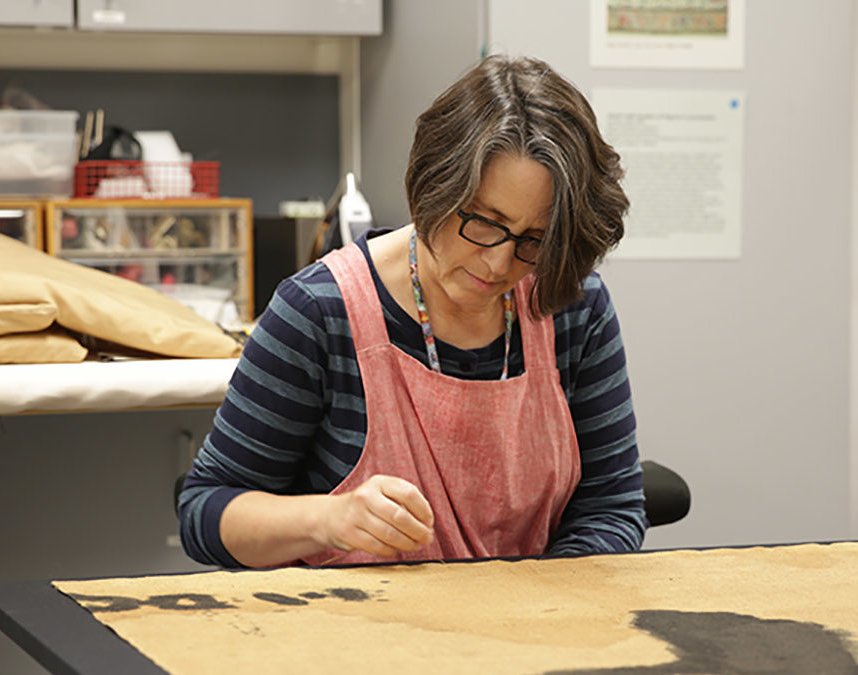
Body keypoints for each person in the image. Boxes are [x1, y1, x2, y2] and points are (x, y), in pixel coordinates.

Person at [178, 54, 645, 568]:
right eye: (484, 222)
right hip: (361, 632)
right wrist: (327, 520)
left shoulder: (571, 304)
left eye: (535, 239)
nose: (500, 261)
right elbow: (205, 512)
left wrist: (538, 606)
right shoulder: (319, 314)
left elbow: (612, 508)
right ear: (434, 188)